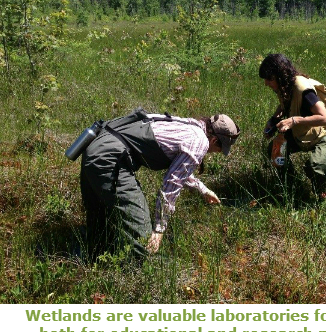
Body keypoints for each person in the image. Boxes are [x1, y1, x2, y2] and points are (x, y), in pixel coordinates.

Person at [80, 110, 240, 258]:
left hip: (95, 146)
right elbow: (171, 184)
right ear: (213, 139)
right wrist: (159, 228)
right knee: (143, 240)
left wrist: (202, 189)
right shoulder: (199, 142)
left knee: (101, 222)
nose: (218, 152)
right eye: (220, 148)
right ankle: (134, 272)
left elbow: (179, 169)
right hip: (110, 159)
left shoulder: (190, 125)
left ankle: (91, 258)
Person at [259, 54, 326, 200]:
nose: (266, 83)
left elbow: (324, 118)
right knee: (275, 151)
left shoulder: (302, 89)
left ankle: (323, 196)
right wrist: (273, 121)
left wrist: (293, 121)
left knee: (316, 165)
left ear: (279, 75)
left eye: (269, 79)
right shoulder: (285, 86)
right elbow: (285, 105)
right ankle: (292, 188)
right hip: (309, 130)